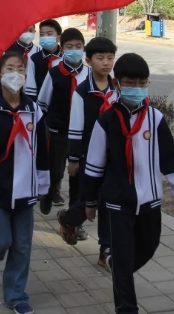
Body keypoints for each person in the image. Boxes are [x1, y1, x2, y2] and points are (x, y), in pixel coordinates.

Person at [83, 53, 174, 314]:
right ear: (117, 84)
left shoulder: (155, 118)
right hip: (118, 203)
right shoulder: (106, 120)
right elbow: (94, 165)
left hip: (150, 201)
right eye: (130, 83)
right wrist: (90, 201)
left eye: (142, 83)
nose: (137, 88)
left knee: (148, 246)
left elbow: (171, 160)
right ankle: (126, 307)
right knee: (122, 259)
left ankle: (119, 269)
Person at [0, 52, 49, 314]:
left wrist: (43, 184)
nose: (16, 74)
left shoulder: (34, 111)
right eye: (10, 69)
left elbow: (42, 150)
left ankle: (15, 296)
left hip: (25, 189)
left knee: (22, 246)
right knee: (1, 240)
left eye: (21, 69)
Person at [58, 37, 118, 261]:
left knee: (109, 202)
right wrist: (73, 158)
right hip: (88, 156)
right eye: (100, 58)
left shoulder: (117, 90)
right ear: (89, 61)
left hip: (113, 156)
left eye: (110, 58)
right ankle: (68, 219)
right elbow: (75, 128)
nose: (106, 62)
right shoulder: (82, 92)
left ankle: (106, 250)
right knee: (89, 200)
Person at [37, 28, 90, 214]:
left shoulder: (89, 74)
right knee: (56, 170)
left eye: (78, 46)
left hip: (81, 133)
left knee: (77, 173)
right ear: (62, 48)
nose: (74, 50)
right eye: (69, 47)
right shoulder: (54, 73)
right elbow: (43, 104)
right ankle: (49, 192)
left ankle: (74, 211)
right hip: (59, 131)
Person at [25, 19, 62, 100]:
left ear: (58, 38)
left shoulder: (65, 58)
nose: (45, 37)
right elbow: (30, 88)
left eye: (49, 34)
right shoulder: (34, 59)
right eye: (42, 34)